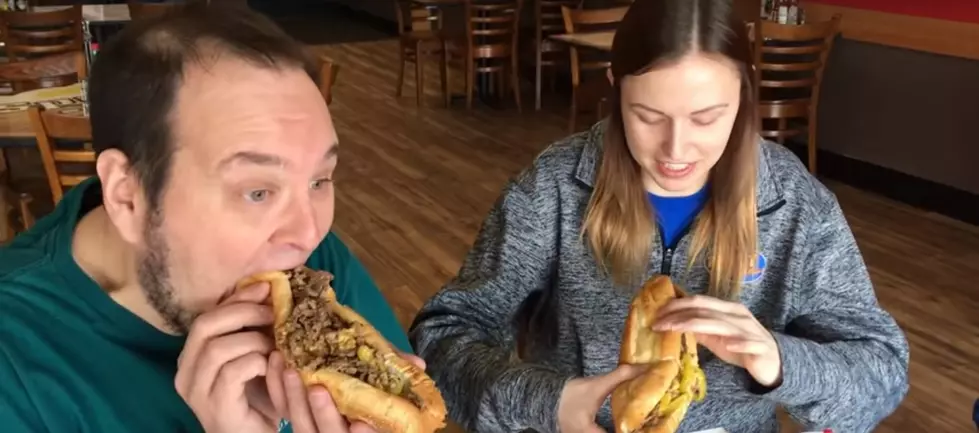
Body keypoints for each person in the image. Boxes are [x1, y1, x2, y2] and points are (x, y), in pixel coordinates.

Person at [408, 0, 910, 432]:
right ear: (614, 87)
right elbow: (442, 337)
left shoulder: (793, 202)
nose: (676, 150)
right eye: (646, 116)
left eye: (706, 117)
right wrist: (549, 401)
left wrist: (779, 359)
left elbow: (881, 373)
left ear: (744, 91)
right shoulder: (555, 186)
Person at [0, 3, 418, 433]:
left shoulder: (315, 266)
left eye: (319, 180)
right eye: (257, 192)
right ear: (128, 196)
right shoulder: (14, 367)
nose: (309, 233)